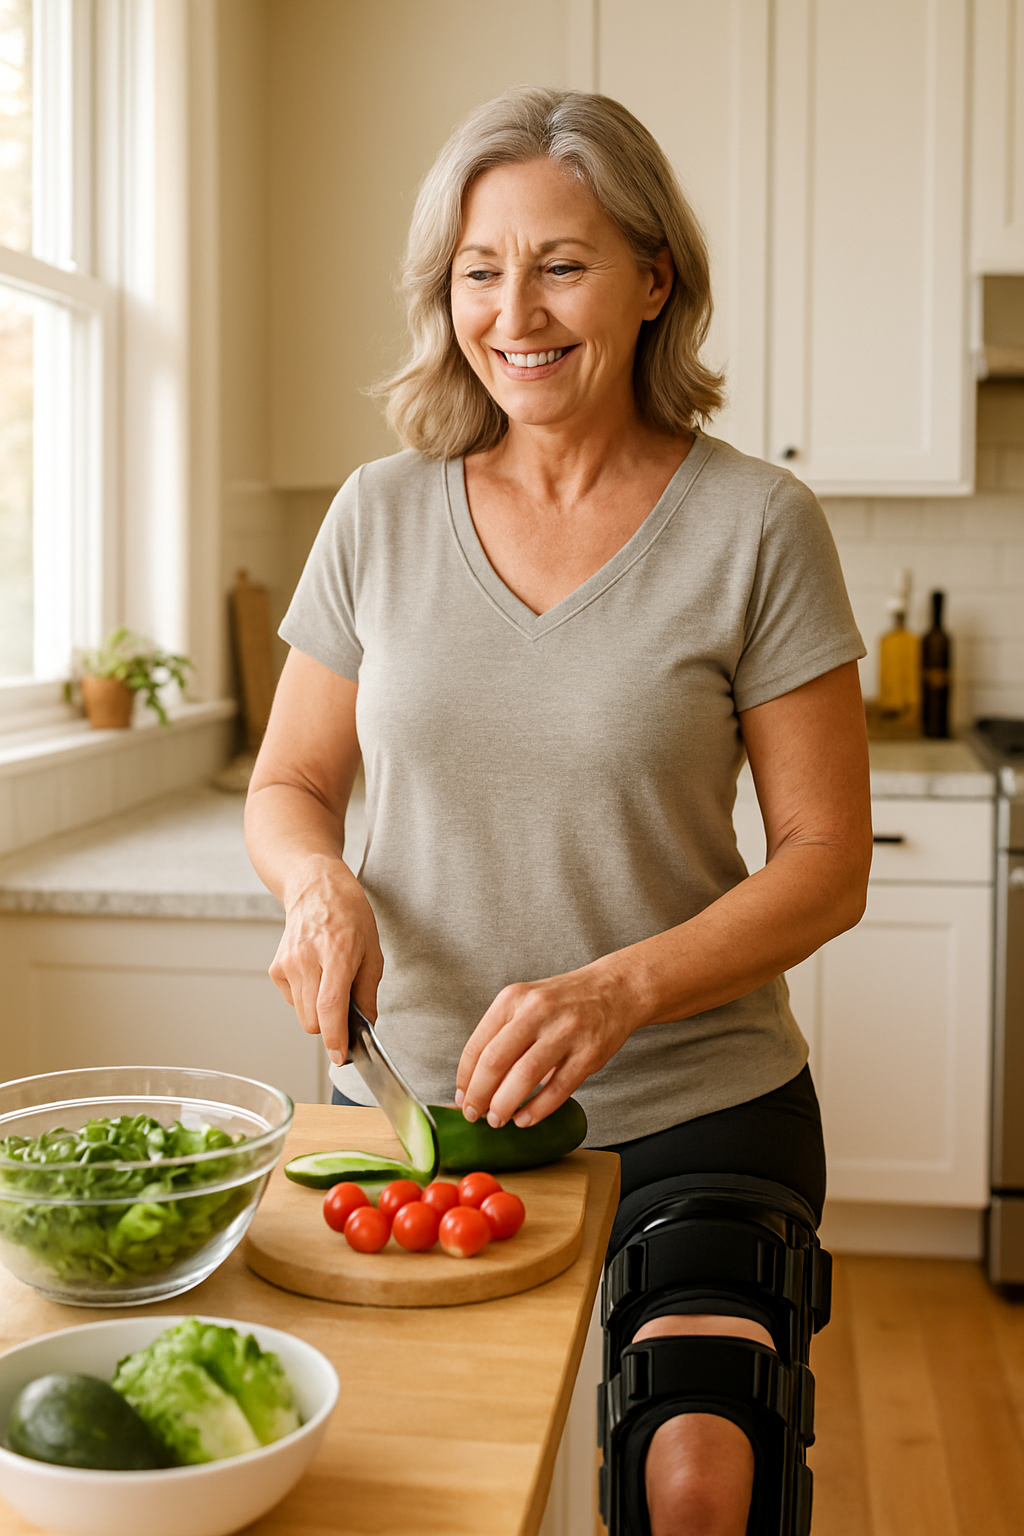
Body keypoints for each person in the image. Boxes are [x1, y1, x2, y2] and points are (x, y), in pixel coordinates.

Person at [246, 86, 871, 1536]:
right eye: (480, 270)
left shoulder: (758, 524)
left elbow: (828, 864)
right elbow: (291, 785)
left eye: (563, 263)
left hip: (693, 1101)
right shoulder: (377, 515)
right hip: (418, 1112)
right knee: (414, 1484)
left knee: (702, 1483)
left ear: (657, 278)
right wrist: (315, 886)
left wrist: (616, 991)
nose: (514, 309)